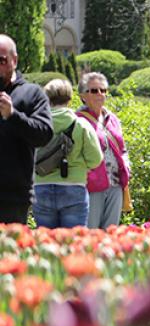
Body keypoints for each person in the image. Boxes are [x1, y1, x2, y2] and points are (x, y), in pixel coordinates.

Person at [32, 79, 102, 229]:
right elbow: (96, 159)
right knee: (73, 243)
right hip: (74, 187)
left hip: (41, 186)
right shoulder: (81, 125)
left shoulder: (36, 124)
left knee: (46, 241)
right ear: (70, 99)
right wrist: (80, 164)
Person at [0, 34, 54, 224]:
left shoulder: (32, 94)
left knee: (8, 253)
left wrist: (13, 115)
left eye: (1, 60)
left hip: (12, 198)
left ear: (14, 60)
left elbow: (44, 134)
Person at [76, 72, 131, 229]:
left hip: (115, 185)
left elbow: (122, 148)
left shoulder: (112, 118)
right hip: (92, 186)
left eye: (103, 90)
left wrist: (127, 167)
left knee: (111, 233)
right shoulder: (78, 120)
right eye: (94, 90)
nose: (100, 94)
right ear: (83, 96)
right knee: (91, 233)